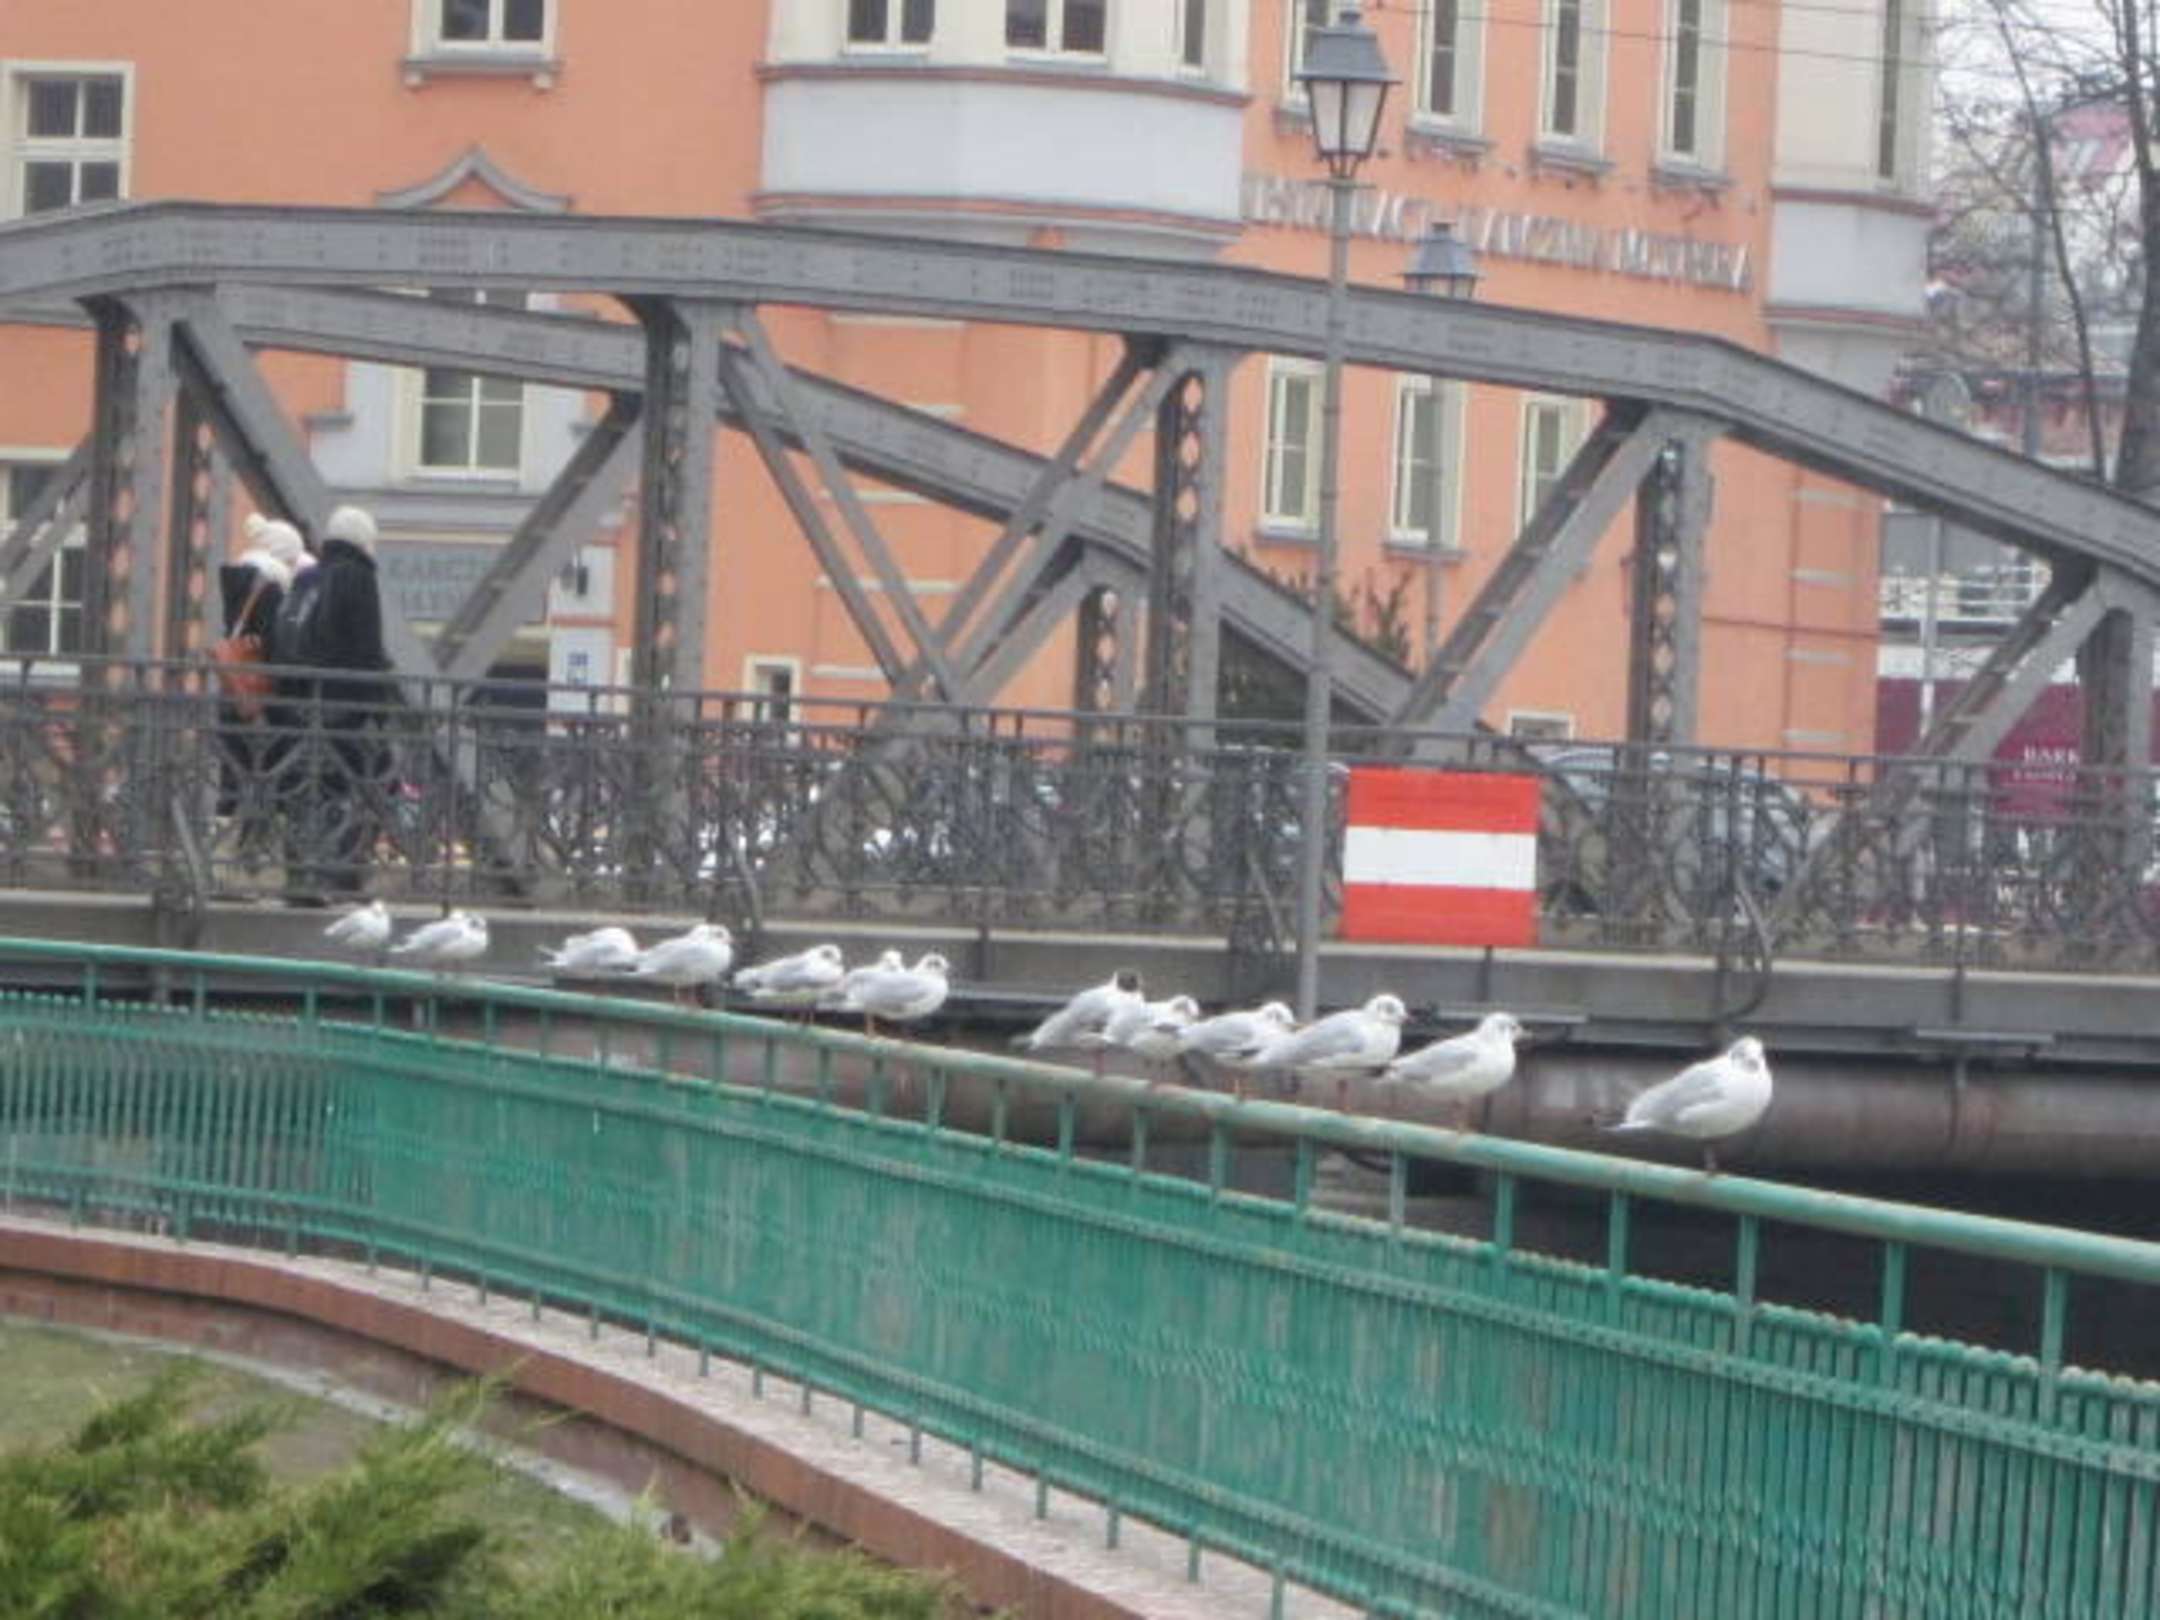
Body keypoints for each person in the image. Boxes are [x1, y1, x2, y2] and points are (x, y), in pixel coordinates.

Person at [272, 504, 394, 904]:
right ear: (363, 540)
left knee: (304, 792)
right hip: (343, 711)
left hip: (297, 710)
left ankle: (299, 877)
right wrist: (378, 708)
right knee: (368, 784)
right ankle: (342, 875)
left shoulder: (308, 577)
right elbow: (367, 649)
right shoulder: (358, 577)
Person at [212, 516, 307, 861]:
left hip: (233, 698)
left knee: (232, 783)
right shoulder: (270, 590)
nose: (294, 567)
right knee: (270, 779)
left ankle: (220, 858)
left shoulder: (239, 582)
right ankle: (257, 860)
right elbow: (275, 649)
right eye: (292, 560)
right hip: (261, 703)